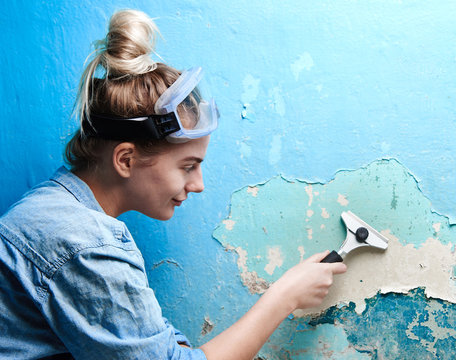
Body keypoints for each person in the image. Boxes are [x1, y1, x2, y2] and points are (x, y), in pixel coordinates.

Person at [0, 9, 347, 360]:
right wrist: (284, 296)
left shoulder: (52, 205)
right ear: (125, 160)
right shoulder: (85, 245)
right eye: (188, 166)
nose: (198, 185)